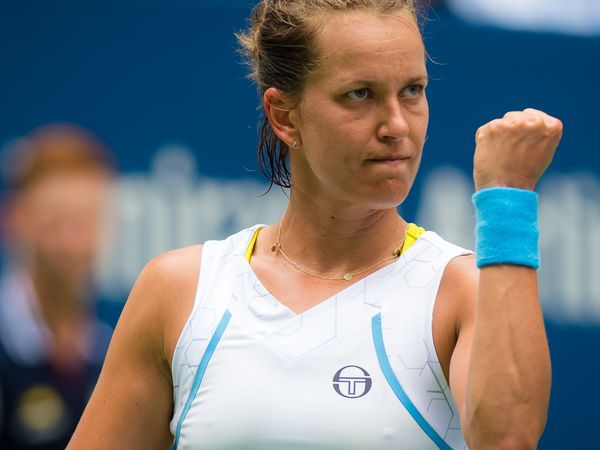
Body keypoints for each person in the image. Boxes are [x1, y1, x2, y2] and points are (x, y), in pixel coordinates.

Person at [69, 0, 562, 448]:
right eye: (360, 94)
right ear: (284, 115)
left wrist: (508, 201)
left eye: (412, 90)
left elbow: (508, 440)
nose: (397, 125)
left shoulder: (460, 290)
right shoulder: (178, 291)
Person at [0, 124, 115, 450]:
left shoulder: (110, 357)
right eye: (54, 222)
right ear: (11, 221)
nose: (72, 242)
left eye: (86, 221)